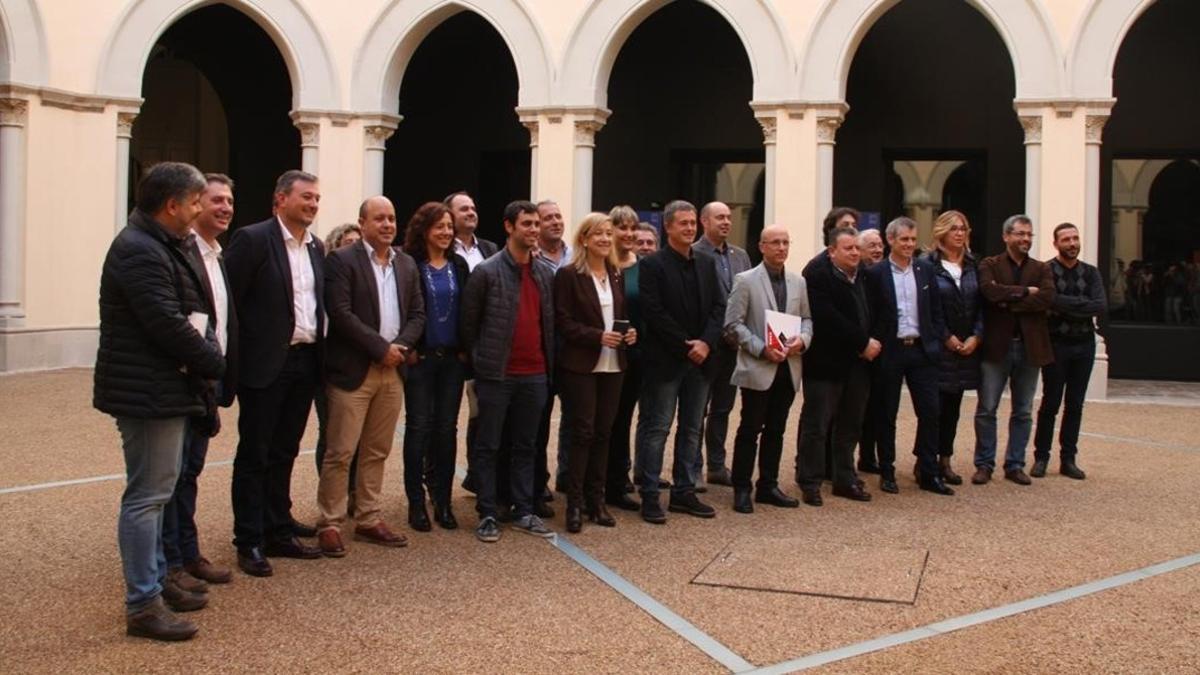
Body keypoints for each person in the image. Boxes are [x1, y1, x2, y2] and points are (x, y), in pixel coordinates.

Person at [94, 161, 224, 641]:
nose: (198, 210)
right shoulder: (140, 251)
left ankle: (156, 584)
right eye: (195, 201)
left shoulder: (158, 243)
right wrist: (216, 361)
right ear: (172, 205)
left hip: (162, 387)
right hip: (148, 392)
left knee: (157, 493)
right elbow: (168, 323)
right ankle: (143, 603)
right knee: (147, 498)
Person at [224, 170, 326, 576]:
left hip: (305, 360)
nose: (313, 204)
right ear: (280, 199)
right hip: (267, 363)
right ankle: (248, 539)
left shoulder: (315, 247)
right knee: (255, 453)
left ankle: (278, 526)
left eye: (317, 198)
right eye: (306, 197)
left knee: (285, 449)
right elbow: (230, 302)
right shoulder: (252, 240)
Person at [315, 196, 424, 557]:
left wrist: (401, 347)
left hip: (393, 371)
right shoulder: (342, 261)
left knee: (377, 450)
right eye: (379, 219)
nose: (388, 225)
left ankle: (368, 517)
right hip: (355, 370)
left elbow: (418, 314)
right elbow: (341, 313)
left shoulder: (406, 264)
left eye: (392, 218)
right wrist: (380, 348)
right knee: (341, 451)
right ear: (362, 224)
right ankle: (330, 522)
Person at [461, 200, 557, 542]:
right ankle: (487, 512)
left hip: (535, 374)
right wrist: (482, 364)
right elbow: (469, 325)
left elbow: (549, 323)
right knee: (488, 445)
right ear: (508, 227)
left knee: (526, 445)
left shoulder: (546, 272)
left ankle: (523, 509)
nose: (533, 230)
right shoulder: (486, 272)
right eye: (527, 224)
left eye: (536, 224)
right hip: (496, 374)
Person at [161, 173, 238, 595]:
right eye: (215, 201)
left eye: (230, 201)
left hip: (206, 381)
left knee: (189, 472)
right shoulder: (181, 253)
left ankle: (187, 554)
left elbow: (224, 323)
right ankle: (170, 564)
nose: (225, 207)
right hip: (184, 381)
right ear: (193, 205)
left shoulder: (217, 255)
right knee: (170, 477)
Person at [635, 200, 726, 524]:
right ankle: (648, 493)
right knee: (657, 428)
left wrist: (705, 342)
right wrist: (685, 345)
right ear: (668, 227)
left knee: (691, 428)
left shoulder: (705, 263)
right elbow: (653, 311)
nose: (689, 228)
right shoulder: (652, 265)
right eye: (683, 223)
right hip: (665, 362)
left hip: (701, 362)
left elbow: (719, 307)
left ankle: (684, 491)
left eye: (692, 223)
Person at [555, 213, 638, 532]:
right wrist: (596, 336)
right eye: (598, 234)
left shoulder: (615, 273)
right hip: (581, 364)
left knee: (605, 433)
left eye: (607, 233)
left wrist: (629, 333)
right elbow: (563, 321)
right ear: (584, 239)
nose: (605, 239)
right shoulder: (568, 275)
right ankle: (574, 505)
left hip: (614, 363)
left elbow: (621, 315)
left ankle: (596, 501)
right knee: (583, 432)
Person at [724, 224, 811, 514]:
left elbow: (807, 319)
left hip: (788, 365)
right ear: (761, 246)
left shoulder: (798, 282)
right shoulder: (745, 280)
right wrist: (761, 348)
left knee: (776, 429)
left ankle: (768, 485)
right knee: (750, 428)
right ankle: (741, 487)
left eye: (786, 242)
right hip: (758, 365)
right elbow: (732, 324)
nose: (781, 248)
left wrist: (803, 340)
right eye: (775, 242)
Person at [865, 217, 953, 496]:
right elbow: (870, 312)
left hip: (922, 350)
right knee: (886, 412)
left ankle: (928, 470)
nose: (909, 245)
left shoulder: (925, 270)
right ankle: (888, 470)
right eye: (904, 240)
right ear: (890, 240)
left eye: (913, 240)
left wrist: (937, 339)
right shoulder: (876, 273)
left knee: (930, 411)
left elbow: (936, 310)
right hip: (891, 350)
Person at [796, 226, 877, 505]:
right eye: (848, 248)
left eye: (857, 248)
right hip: (826, 364)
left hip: (859, 365)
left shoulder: (865, 274)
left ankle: (844, 478)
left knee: (850, 425)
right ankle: (810, 481)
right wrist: (862, 342)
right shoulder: (818, 275)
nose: (855, 253)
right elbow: (827, 318)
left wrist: (873, 341)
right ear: (832, 251)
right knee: (817, 425)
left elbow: (876, 310)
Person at [402, 202, 470, 530]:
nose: (445, 232)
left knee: (446, 430)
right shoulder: (409, 264)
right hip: (421, 359)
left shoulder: (459, 265)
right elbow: (404, 309)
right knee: (418, 430)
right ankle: (416, 502)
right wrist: (410, 348)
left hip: (452, 361)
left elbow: (469, 311)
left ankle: (442, 499)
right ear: (424, 230)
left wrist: (465, 350)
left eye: (449, 227)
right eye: (439, 226)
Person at [973, 215, 1055, 486]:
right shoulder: (990, 264)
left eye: (1029, 235)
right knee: (987, 408)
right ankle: (984, 464)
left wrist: (1009, 300)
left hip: (1030, 348)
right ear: (1006, 236)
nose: (1025, 239)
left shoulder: (1042, 268)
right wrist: (1024, 293)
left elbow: (1046, 298)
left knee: (1023, 410)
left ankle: (1015, 464)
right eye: (1020, 234)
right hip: (997, 347)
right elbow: (988, 293)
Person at [1033, 223, 1106, 480]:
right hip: (1055, 345)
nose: (1072, 243)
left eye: (1075, 238)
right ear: (1056, 244)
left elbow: (1099, 305)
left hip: (1084, 345)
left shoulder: (1091, 273)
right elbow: (1047, 300)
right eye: (1066, 239)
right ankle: (1041, 457)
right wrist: (1080, 306)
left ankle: (1068, 459)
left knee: (1075, 404)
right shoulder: (1046, 271)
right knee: (1050, 403)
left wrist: (1065, 305)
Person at [692, 201, 752, 488]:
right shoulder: (694, 254)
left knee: (723, 408)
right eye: (720, 218)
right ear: (705, 221)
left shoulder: (740, 256)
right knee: (697, 409)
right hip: (706, 344)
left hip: (732, 345)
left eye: (728, 217)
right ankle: (694, 467)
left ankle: (716, 465)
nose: (726, 222)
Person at [920, 210, 982, 486]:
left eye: (965, 228)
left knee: (954, 407)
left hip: (966, 348)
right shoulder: (927, 265)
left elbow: (983, 306)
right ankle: (926, 461)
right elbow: (927, 308)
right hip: (938, 347)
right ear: (942, 231)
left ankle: (944, 459)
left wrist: (976, 337)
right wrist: (946, 337)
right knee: (933, 407)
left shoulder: (973, 264)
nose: (960, 233)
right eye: (955, 228)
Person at [313, 223, 362, 484]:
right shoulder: (324, 280)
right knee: (331, 433)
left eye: (358, 242)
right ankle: (331, 490)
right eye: (348, 242)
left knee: (359, 434)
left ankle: (353, 489)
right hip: (329, 364)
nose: (354, 247)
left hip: (358, 365)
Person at [604, 205, 645, 510]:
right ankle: (595, 483)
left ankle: (618, 483)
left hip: (634, 356)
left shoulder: (643, 266)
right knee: (600, 421)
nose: (629, 234)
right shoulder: (600, 264)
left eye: (633, 228)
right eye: (622, 228)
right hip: (602, 352)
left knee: (622, 421)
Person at [446, 191, 497, 271]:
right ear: (448, 214)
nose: (471, 213)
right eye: (464, 209)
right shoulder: (442, 248)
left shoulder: (490, 248)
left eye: (473, 209)